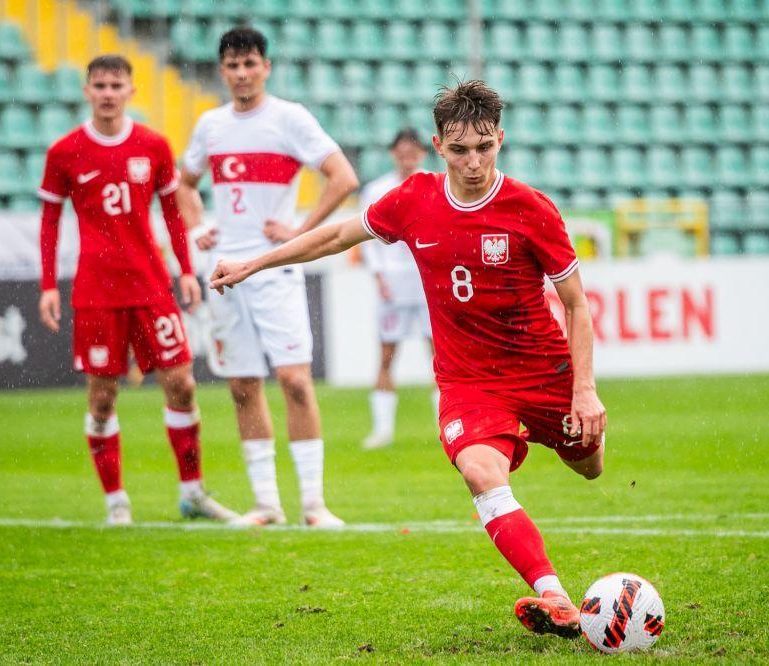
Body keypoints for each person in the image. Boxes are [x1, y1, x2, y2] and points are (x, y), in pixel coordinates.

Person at [208, 81, 607, 637]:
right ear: (438, 145)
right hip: (468, 381)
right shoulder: (414, 199)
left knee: (590, 465)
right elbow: (339, 236)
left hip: (544, 372)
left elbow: (576, 304)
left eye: (485, 147)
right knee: (478, 470)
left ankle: (570, 444)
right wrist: (256, 263)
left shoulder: (531, 209)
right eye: (461, 149)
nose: (474, 162)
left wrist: (584, 389)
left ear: (501, 141)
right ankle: (555, 596)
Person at [37, 55, 237, 526]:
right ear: (87, 91)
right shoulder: (64, 152)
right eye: (100, 85)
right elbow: (48, 221)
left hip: (151, 286)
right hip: (95, 293)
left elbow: (171, 212)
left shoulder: (152, 145)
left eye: (116, 85)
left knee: (183, 385)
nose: (108, 93)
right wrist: (48, 284)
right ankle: (116, 502)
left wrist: (186, 270)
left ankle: (192, 493)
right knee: (102, 398)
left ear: (130, 90)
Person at [176, 27, 358, 528]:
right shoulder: (210, 125)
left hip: (275, 268)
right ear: (222, 71)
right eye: (232, 66)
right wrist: (198, 227)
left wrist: (300, 230)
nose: (241, 73)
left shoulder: (289, 118)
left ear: (266, 67)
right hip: (223, 270)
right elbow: (183, 185)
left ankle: (314, 505)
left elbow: (343, 177)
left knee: (296, 380)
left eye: (250, 63)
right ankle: (266, 504)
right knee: (241, 385)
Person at [358, 129, 437, 450]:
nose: (407, 157)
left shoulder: (436, 185)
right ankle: (382, 430)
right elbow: (365, 237)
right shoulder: (377, 189)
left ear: (421, 153)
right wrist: (378, 276)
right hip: (393, 282)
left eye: (412, 151)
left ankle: (445, 426)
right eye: (401, 151)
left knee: (440, 357)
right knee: (387, 356)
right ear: (393, 153)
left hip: (427, 283)